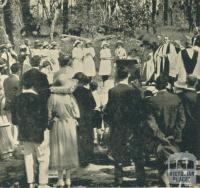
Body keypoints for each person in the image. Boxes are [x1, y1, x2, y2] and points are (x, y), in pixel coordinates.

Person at [104, 67, 145, 186]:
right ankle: (140, 178)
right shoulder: (135, 91)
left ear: (117, 76)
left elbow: (109, 110)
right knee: (137, 152)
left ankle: (119, 178)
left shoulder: (112, 91)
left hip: (117, 126)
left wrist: (109, 123)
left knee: (118, 152)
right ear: (128, 76)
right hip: (133, 125)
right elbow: (139, 110)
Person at [10, 72, 51, 188]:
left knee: (28, 157)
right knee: (43, 157)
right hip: (38, 133)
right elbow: (44, 118)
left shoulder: (16, 99)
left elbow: (14, 120)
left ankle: (31, 182)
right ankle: (43, 183)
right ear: (34, 85)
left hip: (24, 133)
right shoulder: (39, 99)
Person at [146, 74, 186, 186]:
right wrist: (174, 134)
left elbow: (151, 123)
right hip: (174, 138)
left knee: (161, 162)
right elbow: (182, 120)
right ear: (168, 84)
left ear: (156, 86)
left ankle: (166, 184)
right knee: (175, 159)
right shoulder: (176, 99)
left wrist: (161, 137)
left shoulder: (152, 101)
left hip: (159, 139)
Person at [48, 74, 80, 187]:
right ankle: (68, 179)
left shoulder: (53, 97)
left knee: (59, 150)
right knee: (69, 150)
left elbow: (49, 113)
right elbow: (77, 113)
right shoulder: (70, 97)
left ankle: (60, 179)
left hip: (58, 124)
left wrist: (53, 118)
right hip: (70, 124)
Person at [73, 72, 96, 166]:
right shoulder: (87, 92)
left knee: (77, 137)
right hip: (87, 117)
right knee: (87, 137)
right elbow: (93, 104)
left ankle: (78, 156)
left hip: (76, 117)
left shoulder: (72, 92)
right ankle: (87, 156)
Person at [3, 63, 21, 146]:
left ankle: (10, 141)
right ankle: (15, 141)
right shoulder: (17, 81)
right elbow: (18, 94)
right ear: (18, 71)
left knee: (9, 123)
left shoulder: (6, 80)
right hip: (15, 104)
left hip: (7, 102)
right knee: (16, 124)